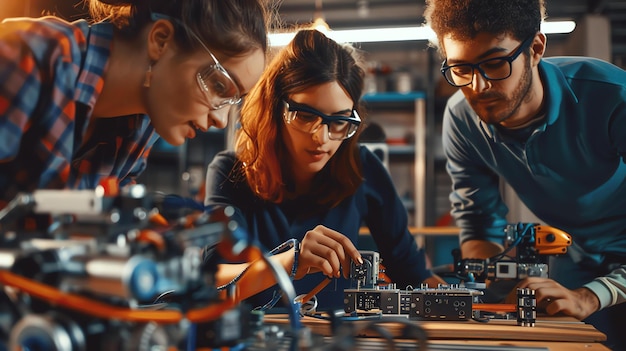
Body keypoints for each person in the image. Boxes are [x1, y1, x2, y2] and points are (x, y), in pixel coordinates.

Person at [423, 0, 626, 349]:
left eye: (494, 64)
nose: (478, 86)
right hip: (576, 257)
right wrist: (483, 288)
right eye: (460, 69)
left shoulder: (612, 97)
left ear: (535, 48)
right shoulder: (461, 120)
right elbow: (478, 221)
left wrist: (592, 296)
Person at [204, 29, 446, 312]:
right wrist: (291, 261)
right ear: (273, 109)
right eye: (306, 116)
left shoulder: (362, 167)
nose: (322, 137)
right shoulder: (230, 173)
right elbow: (211, 286)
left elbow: (412, 274)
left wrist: (472, 305)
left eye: (339, 122)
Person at [0, 0, 270, 210]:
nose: (221, 120)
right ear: (161, 40)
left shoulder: (140, 129)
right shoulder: (30, 56)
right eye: (219, 85)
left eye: (233, 100)